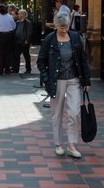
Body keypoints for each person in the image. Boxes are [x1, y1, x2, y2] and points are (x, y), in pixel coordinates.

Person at [37, 13, 91, 159]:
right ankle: (58, 144)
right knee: (57, 113)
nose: (63, 30)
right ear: (55, 25)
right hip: (56, 81)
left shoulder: (74, 37)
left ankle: (72, 145)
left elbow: (82, 60)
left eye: (66, 27)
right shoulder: (49, 40)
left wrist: (86, 81)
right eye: (61, 27)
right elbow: (41, 61)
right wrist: (47, 79)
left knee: (74, 112)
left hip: (74, 79)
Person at [0, 4, 17, 75]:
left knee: (0, 53)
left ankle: (0, 69)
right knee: (8, 53)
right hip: (9, 36)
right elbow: (14, 26)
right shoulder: (10, 17)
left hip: (1, 36)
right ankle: (7, 69)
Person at [14, 8, 33, 74]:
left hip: (24, 42)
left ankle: (28, 69)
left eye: (20, 13)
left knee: (26, 56)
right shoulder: (17, 22)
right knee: (16, 56)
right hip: (17, 42)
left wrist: (27, 39)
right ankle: (16, 69)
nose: (18, 15)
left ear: (24, 14)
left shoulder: (28, 22)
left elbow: (29, 32)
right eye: (18, 13)